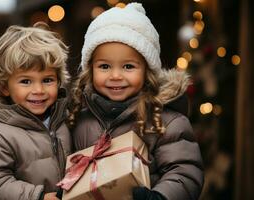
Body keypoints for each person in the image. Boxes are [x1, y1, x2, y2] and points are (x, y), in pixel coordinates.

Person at [69, 3, 204, 200]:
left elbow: (185, 171)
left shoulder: (165, 121)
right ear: (90, 69)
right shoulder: (79, 117)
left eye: (128, 66)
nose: (115, 75)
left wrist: (160, 196)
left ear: (147, 70)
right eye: (104, 66)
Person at [0, 22, 71, 200]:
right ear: (5, 87)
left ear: (58, 81)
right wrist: (37, 197)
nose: (39, 90)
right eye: (26, 81)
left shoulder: (65, 119)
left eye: (47, 80)